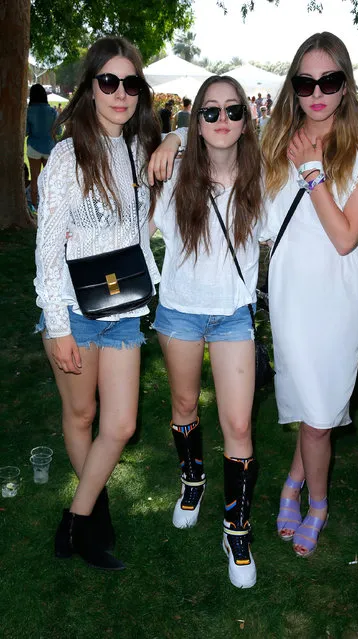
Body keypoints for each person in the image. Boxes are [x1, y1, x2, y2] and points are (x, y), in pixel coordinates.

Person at [34, 36, 181, 571]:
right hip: (73, 309)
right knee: (81, 414)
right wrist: (56, 326)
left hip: (124, 309)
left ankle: (76, 517)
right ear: (90, 88)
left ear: (141, 91)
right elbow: (47, 251)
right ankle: (95, 518)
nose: (120, 93)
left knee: (119, 425)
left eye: (131, 83)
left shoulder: (141, 150)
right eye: (108, 82)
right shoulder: (69, 156)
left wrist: (178, 135)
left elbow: (208, 139)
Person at [261, 32, 358, 558]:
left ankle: (315, 502)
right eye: (306, 81)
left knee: (317, 416)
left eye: (328, 80)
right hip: (290, 293)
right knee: (312, 408)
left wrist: (312, 172)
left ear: (345, 84)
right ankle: (296, 483)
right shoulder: (274, 138)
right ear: (294, 85)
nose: (317, 92)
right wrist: (177, 140)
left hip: (335, 295)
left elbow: (345, 236)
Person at [150, 75, 263, 588]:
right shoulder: (174, 173)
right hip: (180, 310)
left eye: (232, 111)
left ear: (246, 119)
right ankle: (192, 482)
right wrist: (169, 139)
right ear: (196, 121)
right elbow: (134, 217)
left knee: (239, 425)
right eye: (210, 112)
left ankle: (236, 529)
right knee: (185, 406)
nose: (222, 121)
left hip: (233, 313)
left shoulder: (264, 177)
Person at [26, 84, 58, 209]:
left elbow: (26, 131)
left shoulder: (29, 111)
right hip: (49, 147)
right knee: (49, 180)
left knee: (34, 179)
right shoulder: (52, 111)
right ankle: (49, 207)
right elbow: (58, 131)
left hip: (33, 147)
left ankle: (34, 207)